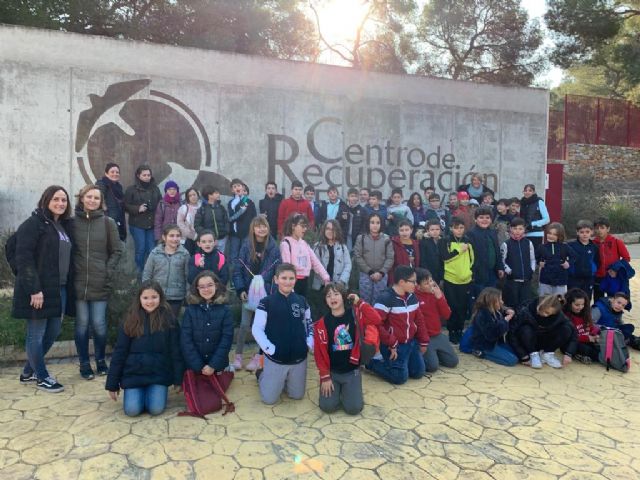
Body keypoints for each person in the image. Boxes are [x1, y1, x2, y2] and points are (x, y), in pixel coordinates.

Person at [12, 185, 74, 393]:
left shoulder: (62, 226)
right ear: (46, 200)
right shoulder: (33, 224)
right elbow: (22, 255)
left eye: (64, 200)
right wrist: (33, 288)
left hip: (60, 288)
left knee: (54, 331)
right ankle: (42, 376)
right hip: (39, 289)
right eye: (56, 199)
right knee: (36, 334)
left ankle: (29, 370)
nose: (60, 203)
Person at [105, 281, 183, 416]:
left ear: (161, 298)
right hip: (134, 374)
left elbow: (176, 351)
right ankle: (139, 394)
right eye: (145, 298)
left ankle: (154, 393)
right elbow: (120, 352)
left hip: (159, 374)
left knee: (155, 409)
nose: (150, 301)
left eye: (154, 297)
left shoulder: (169, 320)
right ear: (139, 299)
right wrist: (112, 384)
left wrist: (178, 379)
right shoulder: (130, 320)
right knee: (132, 410)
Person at [72, 185, 123, 380]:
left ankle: (101, 361)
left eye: (96, 198)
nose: (92, 200)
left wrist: (107, 271)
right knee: (82, 325)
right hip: (77, 283)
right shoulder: (71, 222)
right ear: (82, 198)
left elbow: (117, 250)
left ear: (101, 201)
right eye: (89, 196)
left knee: (99, 325)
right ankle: (84, 364)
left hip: (100, 282)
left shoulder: (107, 222)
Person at [314, 284, 381, 415]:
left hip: (351, 371)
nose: (332, 297)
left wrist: (359, 302)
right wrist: (325, 377)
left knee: (354, 409)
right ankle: (338, 390)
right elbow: (319, 353)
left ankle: (350, 389)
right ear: (326, 301)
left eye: (336, 294)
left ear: (344, 297)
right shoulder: (322, 323)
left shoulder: (355, 314)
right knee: (327, 407)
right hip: (332, 372)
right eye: (328, 296)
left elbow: (376, 319)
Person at [252, 263, 313, 405]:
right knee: (269, 400)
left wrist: (309, 344)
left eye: (291, 278)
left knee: (297, 395)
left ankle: (285, 378)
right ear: (276, 279)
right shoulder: (266, 302)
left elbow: (309, 324)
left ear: (296, 279)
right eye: (283, 278)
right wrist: (269, 349)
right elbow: (257, 329)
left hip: (299, 358)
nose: (287, 281)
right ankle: (261, 374)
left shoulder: (302, 301)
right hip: (276, 358)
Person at [232, 216, 281, 371]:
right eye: (258, 226)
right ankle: (238, 356)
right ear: (253, 229)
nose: (261, 229)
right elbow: (238, 269)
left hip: (266, 293)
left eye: (264, 226)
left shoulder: (273, 247)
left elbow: (278, 268)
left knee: (263, 326)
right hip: (248, 291)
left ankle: (258, 356)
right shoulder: (246, 245)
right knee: (245, 325)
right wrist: (240, 289)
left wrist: (274, 285)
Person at [367, 265, 428, 384]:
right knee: (400, 378)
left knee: (418, 372)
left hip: (410, 342)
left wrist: (423, 341)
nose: (416, 284)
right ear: (401, 282)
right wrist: (391, 342)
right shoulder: (385, 298)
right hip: (393, 345)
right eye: (413, 282)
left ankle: (401, 363)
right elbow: (376, 324)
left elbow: (419, 320)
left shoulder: (412, 297)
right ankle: (372, 363)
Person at [181, 271, 234, 379]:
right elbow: (186, 340)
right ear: (197, 289)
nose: (206, 289)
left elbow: (226, 340)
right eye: (202, 287)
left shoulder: (225, 311)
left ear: (216, 285)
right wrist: (198, 365)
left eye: (210, 285)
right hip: (195, 367)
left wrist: (213, 365)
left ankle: (228, 369)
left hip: (217, 366)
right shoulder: (190, 311)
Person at [508, 295, 577, 369]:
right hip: (527, 342)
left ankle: (547, 354)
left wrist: (569, 353)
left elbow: (573, 332)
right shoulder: (525, 310)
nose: (545, 315)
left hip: (543, 342)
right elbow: (512, 332)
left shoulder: (559, 315)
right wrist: (522, 355)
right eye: (545, 311)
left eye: (549, 314)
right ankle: (533, 354)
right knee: (526, 329)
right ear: (540, 304)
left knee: (567, 329)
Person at [439, 217, 474, 344]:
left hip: (465, 280)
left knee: (462, 307)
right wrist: (459, 250)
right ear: (451, 228)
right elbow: (445, 258)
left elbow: (472, 259)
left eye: (461, 228)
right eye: (456, 228)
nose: (459, 231)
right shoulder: (445, 241)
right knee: (452, 306)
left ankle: (459, 330)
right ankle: (452, 330)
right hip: (450, 279)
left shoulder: (468, 241)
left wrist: (469, 272)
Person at [415, 268, 458, 372]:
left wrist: (440, 298)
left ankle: (435, 352)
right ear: (418, 285)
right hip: (424, 337)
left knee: (453, 362)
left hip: (437, 334)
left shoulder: (437, 293)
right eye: (426, 283)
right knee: (432, 367)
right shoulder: (414, 297)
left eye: (431, 281)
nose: (430, 285)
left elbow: (447, 315)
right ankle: (424, 354)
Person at [142, 224, 190, 319]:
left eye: (177, 236)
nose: (175, 239)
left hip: (176, 297)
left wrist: (187, 296)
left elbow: (188, 276)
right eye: (171, 236)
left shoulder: (185, 254)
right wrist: (146, 293)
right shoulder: (155, 253)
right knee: (156, 322)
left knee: (172, 323)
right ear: (164, 237)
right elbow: (147, 274)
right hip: (157, 295)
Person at [280, 214, 330, 296]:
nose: (305, 229)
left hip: (305, 281)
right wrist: (290, 289)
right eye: (302, 226)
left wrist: (326, 278)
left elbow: (315, 262)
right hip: (293, 283)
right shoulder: (286, 244)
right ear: (293, 226)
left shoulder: (304, 243)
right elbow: (286, 268)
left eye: (306, 226)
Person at [124, 164, 162, 273]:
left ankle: (150, 272)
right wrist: (137, 208)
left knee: (151, 250)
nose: (147, 177)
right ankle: (140, 273)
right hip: (137, 225)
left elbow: (160, 203)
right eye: (144, 175)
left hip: (151, 224)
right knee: (140, 249)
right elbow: (125, 205)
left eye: (148, 175)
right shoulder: (131, 189)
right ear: (138, 175)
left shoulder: (155, 189)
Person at [466, 288, 518, 366]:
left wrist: (508, 310)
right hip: (485, 345)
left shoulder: (494, 310)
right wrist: (505, 321)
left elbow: (503, 308)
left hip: (495, 343)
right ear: (491, 302)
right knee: (512, 361)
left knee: (516, 354)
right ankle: (479, 353)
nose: (502, 301)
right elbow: (491, 335)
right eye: (499, 299)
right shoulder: (483, 314)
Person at [311, 220, 352, 317]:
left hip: (338, 286)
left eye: (333, 229)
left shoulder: (343, 247)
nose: (330, 231)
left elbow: (348, 265)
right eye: (328, 229)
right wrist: (325, 281)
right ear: (324, 230)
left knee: (338, 313)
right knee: (323, 313)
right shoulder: (318, 246)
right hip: (322, 286)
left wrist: (342, 281)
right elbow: (315, 265)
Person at [353, 213, 394, 305]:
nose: (375, 225)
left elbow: (390, 258)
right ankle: (365, 319)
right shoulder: (361, 238)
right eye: (372, 222)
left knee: (379, 301)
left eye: (377, 223)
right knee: (365, 301)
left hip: (381, 275)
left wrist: (381, 272)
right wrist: (370, 271)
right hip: (366, 274)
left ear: (381, 224)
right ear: (368, 223)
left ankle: (378, 319)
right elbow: (358, 256)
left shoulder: (386, 239)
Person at [466, 206, 504, 301]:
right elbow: (469, 256)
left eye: (487, 218)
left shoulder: (492, 233)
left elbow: (497, 252)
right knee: (480, 299)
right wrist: (473, 272)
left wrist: (500, 267)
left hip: (492, 272)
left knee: (492, 298)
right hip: (479, 273)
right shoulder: (471, 234)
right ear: (475, 219)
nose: (484, 220)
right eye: (481, 217)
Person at [593, 217, 631, 302]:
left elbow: (626, 258)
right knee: (598, 302)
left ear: (608, 229)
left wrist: (615, 269)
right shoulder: (592, 243)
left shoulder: (617, 242)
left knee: (614, 301)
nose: (599, 230)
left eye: (602, 228)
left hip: (613, 277)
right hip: (598, 278)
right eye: (597, 228)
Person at [500, 218, 536, 309]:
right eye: (515, 228)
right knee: (512, 305)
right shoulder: (506, 244)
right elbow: (502, 260)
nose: (517, 231)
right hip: (512, 282)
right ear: (510, 229)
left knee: (525, 305)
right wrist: (509, 271)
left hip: (526, 281)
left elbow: (533, 259)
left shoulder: (529, 243)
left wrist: (532, 270)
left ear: (524, 229)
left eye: (520, 229)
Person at [564, 288, 600, 364]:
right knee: (587, 350)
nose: (580, 307)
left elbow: (591, 327)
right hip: (571, 343)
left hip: (586, 339)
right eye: (577, 305)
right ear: (569, 303)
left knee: (599, 348)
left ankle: (581, 356)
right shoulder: (566, 316)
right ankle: (579, 355)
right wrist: (588, 338)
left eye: (582, 304)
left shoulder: (585, 313)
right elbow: (571, 337)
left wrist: (594, 335)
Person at [538, 222, 573, 296]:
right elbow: (535, 258)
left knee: (559, 303)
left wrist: (568, 263)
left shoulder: (565, 247)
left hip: (560, 282)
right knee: (544, 302)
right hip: (545, 281)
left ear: (560, 236)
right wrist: (539, 262)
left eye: (554, 234)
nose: (551, 236)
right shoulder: (542, 247)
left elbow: (575, 257)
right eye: (549, 233)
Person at [567, 220, 599, 300]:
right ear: (577, 232)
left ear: (591, 232)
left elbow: (597, 261)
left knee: (586, 300)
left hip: (588, 279)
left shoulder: (594, 247)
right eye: (582, 232)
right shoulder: (570, 246)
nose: (584, 234)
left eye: (587, 232)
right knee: (572, 300)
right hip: (574, 279)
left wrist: (592, 271)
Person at [228, 178, 257, 261]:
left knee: (246, 254)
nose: (237, 188)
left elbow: (254, 217)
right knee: (234, 255)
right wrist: (241, 210)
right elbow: (231, 218)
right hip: (234, 234)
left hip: (247, 233)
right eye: (234, 186)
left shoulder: (249, 201)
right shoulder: (231, 203)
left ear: (243, 187)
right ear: (232, 190)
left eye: (239, 186)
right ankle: (234, 273)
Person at [96, 162, 127, 241]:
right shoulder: (102, 184)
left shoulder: (118, 187)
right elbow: (98, 199)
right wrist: (104, 208)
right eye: (112, 172)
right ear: (106, 173)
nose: (115, 174)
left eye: (117, 172)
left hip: (119, 220)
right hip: (108, 221)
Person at [194, 185, 229, 253]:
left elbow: (226, 221)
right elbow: (197, 225)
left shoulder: (221, 208)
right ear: (209, 195)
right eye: (216, 193)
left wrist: (226, 231)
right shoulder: (202, 209)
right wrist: (206, 234)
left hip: (221, 239)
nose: (219, 194)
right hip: (209, 241)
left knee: (220, 258)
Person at [389, 220, 420, 284]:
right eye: (401, 230)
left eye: (406, 230)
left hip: (412, 275)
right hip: (399, 276)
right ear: (398, 231)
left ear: (411, 230)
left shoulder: (416, 243)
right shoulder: (394, 243)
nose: (404, 232)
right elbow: (391, 263)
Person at [520, 184, 549, 250]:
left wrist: (532, 224)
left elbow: (547, 219)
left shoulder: (539, 202)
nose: (527, 192)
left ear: (534, 192)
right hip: (524, 235)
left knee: (536, 256)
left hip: (536, 234)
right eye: (525, 190)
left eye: (530, 190)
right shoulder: (522, 203)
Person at [419, 219, 444, 285]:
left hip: (440, 273)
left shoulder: (442, 241)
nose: (435, 232)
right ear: (427, 231)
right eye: (432, 230)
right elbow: (423, 260)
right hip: (428, 273)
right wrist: (426, 274)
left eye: (437, 229)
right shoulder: (424, 242)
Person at [177, 188, 201, 255]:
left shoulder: (202, 207)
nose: (193, 197)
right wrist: (192, 235)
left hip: (201, 238)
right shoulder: (184, 208)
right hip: (187, 239)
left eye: (194, 194)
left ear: (198, 195)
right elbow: (180, 223)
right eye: (190, 196)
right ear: (187, 198)